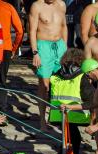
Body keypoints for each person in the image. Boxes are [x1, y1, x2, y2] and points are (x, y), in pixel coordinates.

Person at [30, 0, 68, 131]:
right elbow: (32, 30)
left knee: (62, 84)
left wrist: (65, 47)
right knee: (44, 86)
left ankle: (57, 118)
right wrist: (35, 52)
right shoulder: (37, 6)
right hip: (44, 47)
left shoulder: (61, 5)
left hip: (60, 46)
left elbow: (64, 26)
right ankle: (42, 121)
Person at [0, 0, 23, 115]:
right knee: (1, 80)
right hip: (5, 47)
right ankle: (2, 110)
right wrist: (14, 48)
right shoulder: (8, 7)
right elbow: (20, 31)